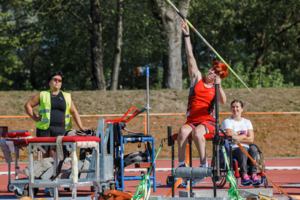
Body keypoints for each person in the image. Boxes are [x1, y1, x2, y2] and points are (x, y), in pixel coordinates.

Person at [178, 18, 227, 183]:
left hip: (207, 121)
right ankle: (181, 166)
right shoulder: (197, 78)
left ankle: (204, 166)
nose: (211, 72)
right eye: (211, 70)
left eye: (215, 73)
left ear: (217, 78)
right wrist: (186, 36)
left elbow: (223, 101)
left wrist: (219, 86)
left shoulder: (215, 87)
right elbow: (190, 57)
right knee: (183, 131)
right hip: (192, 120)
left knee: (198, 133)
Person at [24, 69, 87, 159]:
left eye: (59, 80)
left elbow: (74, 111)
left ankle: (57, 173)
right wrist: (34, 118)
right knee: (46, 156)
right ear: (50, 82)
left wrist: (81, 127)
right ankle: (46, 173)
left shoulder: (67, 96)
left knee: (57, 156)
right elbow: (28, 105)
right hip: (44, 129)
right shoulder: (42, 94)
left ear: (61, 83)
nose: (57, 82)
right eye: (55, 80)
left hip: (61, 130)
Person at [222, 100, 261, 185]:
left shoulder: (247, 122)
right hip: (233, 149)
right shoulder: (227, 121)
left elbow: (251, 140)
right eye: (233, 107)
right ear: (230, 109)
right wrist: (244, 136)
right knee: (242, 149)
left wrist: (236, 138)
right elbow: (230, 139)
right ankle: (244, 175)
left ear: (242, 109)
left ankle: (253, 174)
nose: (235, 109)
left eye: (237, 107)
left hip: (246, 147)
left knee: (254, 149)